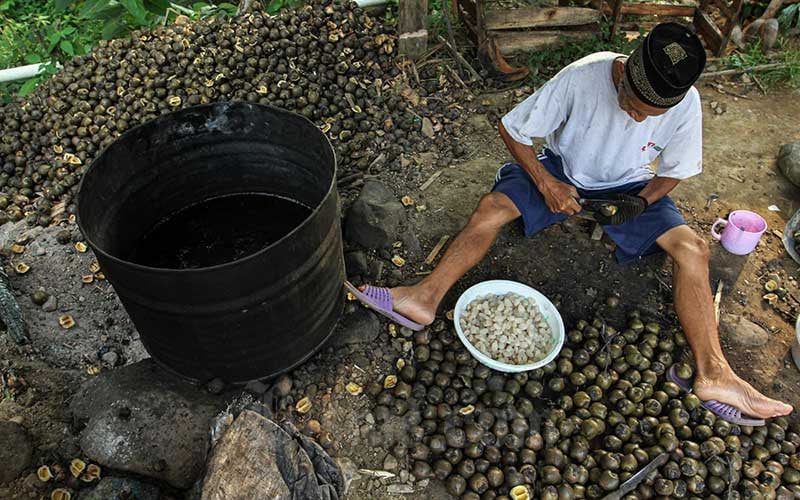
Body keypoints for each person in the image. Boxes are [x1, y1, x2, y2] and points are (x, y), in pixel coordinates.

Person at [346, 23, 792, 421]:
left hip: (629, 187)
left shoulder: (683, 101)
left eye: (648, 117)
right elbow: (513, 128)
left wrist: (641, 201)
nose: (638, 119)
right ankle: (424, 298)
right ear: (622, 76)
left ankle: (714, 372)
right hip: (562, 170)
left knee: (693, 249)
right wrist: (545, 184)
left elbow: (674, 169)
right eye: (635, 107)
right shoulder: (584, 76)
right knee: (491, 207)